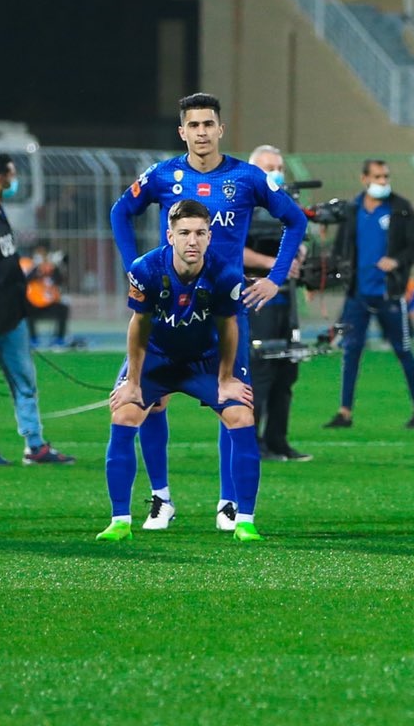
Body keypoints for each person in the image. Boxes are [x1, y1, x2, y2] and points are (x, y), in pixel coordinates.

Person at [110, 93, 307, 531]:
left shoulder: (248, 176)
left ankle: (228, 503)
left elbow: (295, 220)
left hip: (224, 313)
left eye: (208, 124)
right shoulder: (163, 175)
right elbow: (120, 212)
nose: (201, 132)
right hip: (166, 311)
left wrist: (275, 277)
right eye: (193, 125)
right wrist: (131, 267)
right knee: (150, 402)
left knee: (232, 399)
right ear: (182, 132)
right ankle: (160, 499)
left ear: (221, 129)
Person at [99, 200, 263, 542]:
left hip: (203, 360)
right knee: (124, 415)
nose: (193, 241)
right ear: (169, 236)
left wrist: (227, 379)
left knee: (242, 416)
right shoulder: (145, 269)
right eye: (185, 233)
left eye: (200, 233)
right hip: (158, 358)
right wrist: (132, 381)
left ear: (209, 236)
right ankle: (120, 520)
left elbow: (229, 326)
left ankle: (244, 520)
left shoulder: (225, 274)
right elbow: (138, 325)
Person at [0, 152, 73, 467]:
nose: (14, 178)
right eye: (10, 173)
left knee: (24, 379)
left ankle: (35, 445)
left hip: (10, 314)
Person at [324, 159, 414, 431]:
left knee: (404, 351)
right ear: (364, 179)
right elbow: (340, 248)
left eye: (386, 176)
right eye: (378, 176)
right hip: (357, 294)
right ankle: (344, 412)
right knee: (350, 352)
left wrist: (396, 261)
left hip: (389, 293)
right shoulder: (352, 210)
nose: (383, 181)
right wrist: (324, 282)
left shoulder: (400, 208)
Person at [243, 145, 310, 462]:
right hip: (256, 295)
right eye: (269, 166)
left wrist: (299, 255)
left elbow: (299, 239)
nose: (276, 172)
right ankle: (251, 442)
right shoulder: (241, 202)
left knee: (287, 371)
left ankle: (277, 440)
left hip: (287, 297)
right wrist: (275, 263)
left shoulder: (286, 203)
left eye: (279, 166)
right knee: (261, 370)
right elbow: (235, 251)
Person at [22, 244, 70, 347]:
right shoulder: (32, 267)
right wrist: (38, 270)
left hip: (48, 303)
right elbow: (26, 280)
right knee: (25, 308)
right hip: (34, 303)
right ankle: (33, 338)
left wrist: (54, 268)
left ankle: (59, 338)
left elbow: (59, 281)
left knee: (63, 309)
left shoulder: (53, 269)